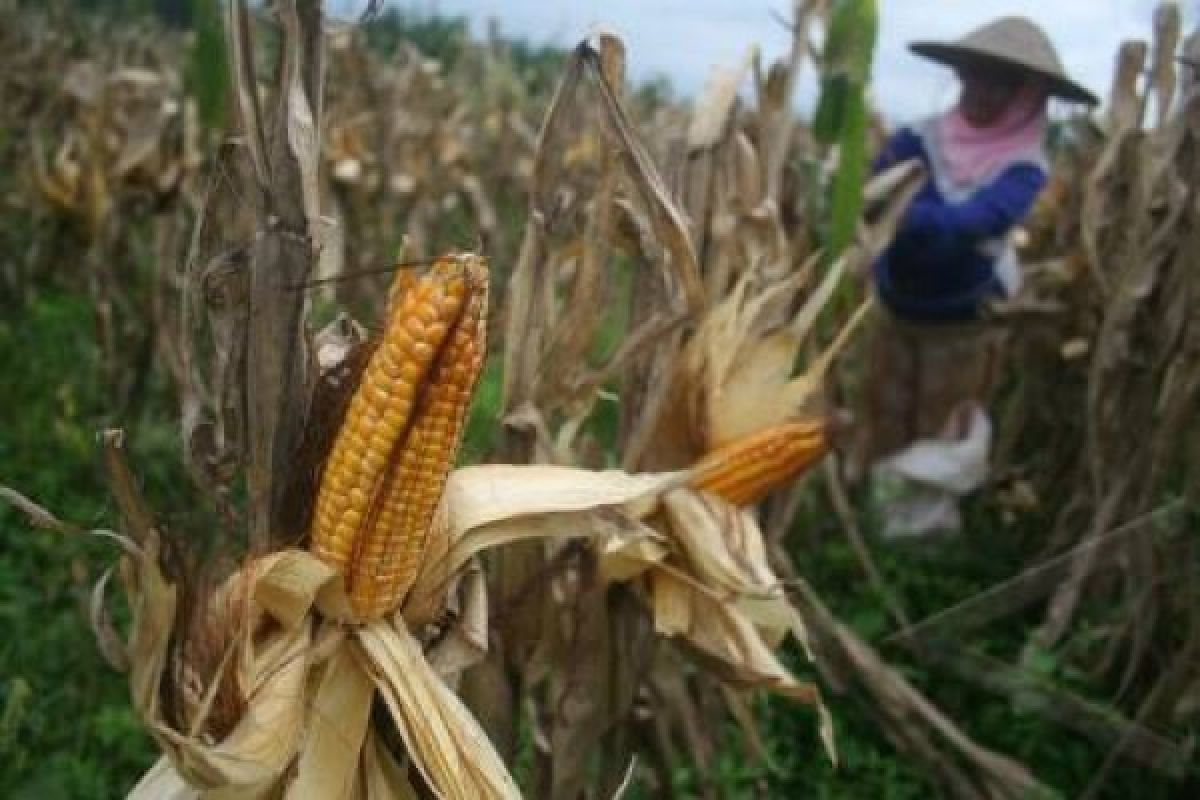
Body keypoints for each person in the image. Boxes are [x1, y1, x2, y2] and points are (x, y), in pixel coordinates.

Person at [855, 17, 1097, 537]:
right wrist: (914, 222)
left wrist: (909, 218)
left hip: (962, 325)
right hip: (897, 309)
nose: (980, 92)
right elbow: (874, 199)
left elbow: (976, 223)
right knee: (886, 418)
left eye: (1000, 83)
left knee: (941, 430)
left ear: (1027, 96)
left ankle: (923, 539)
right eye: (973, 76)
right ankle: (880, 528)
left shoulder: (1024, 168)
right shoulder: (917, 139)